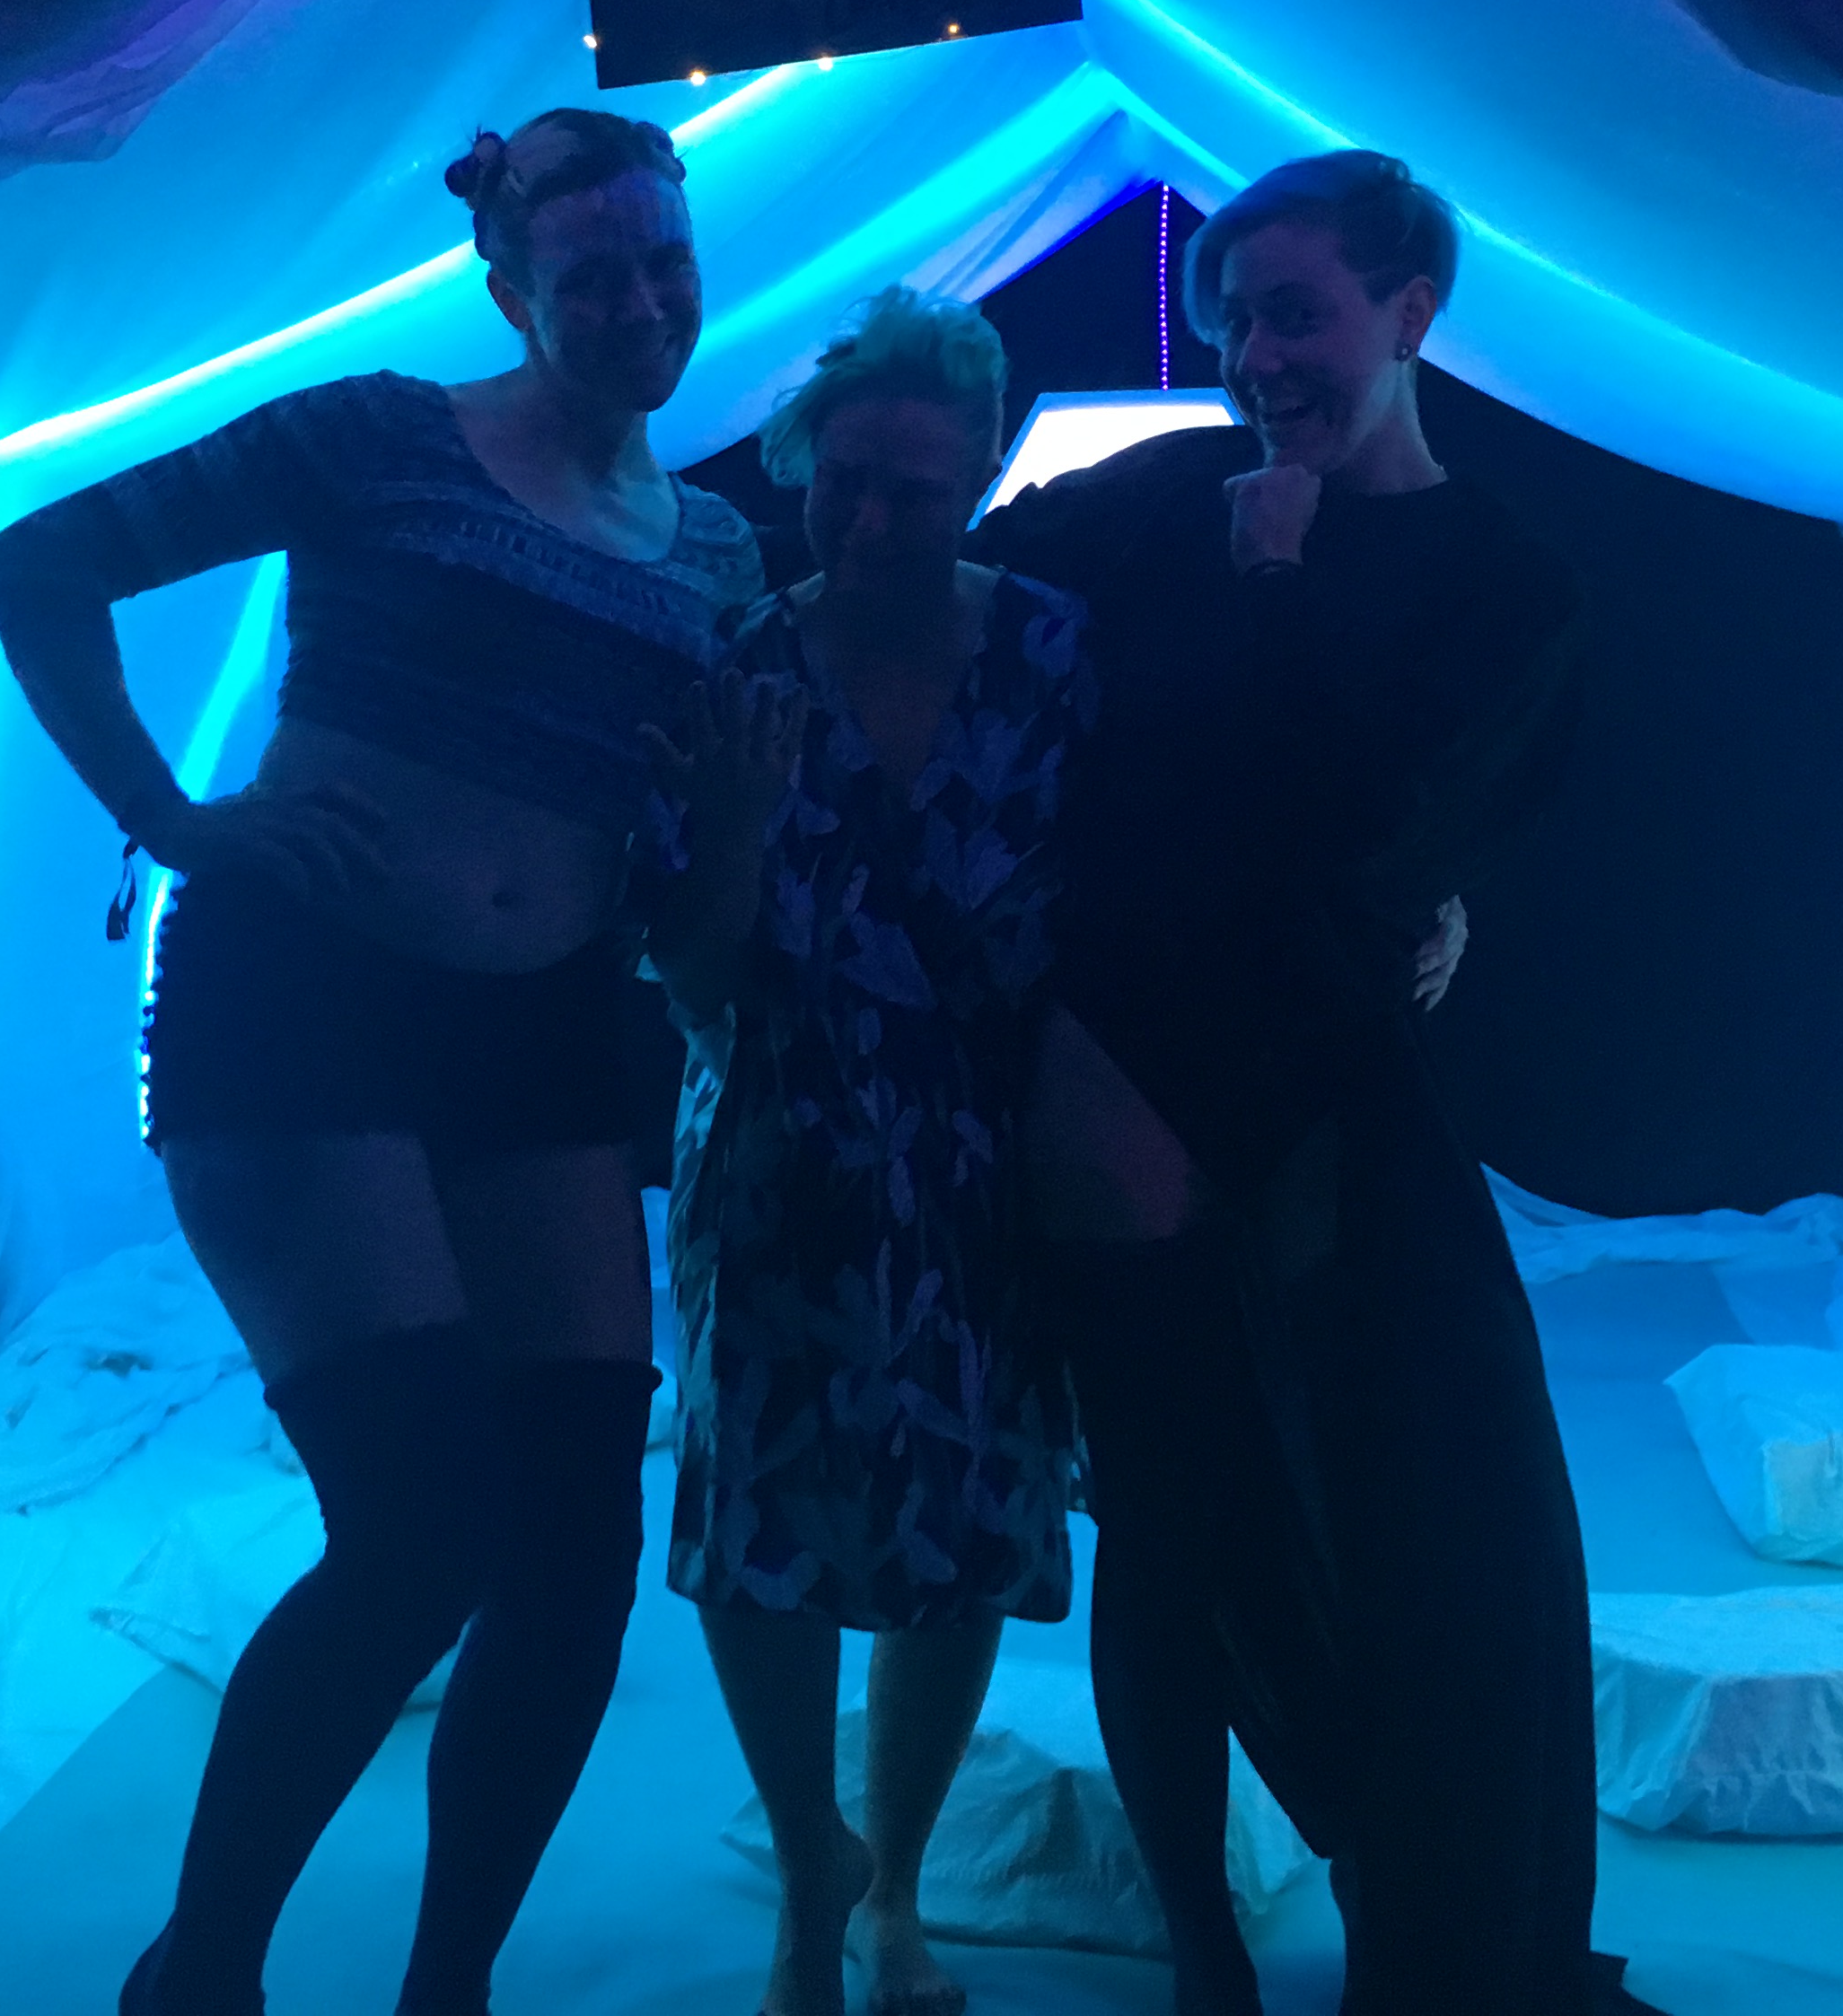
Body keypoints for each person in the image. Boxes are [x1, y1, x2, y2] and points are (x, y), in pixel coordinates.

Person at [0, 108, 762, 2016]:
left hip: (545, 1031)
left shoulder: (722, 551)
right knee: (423, 1526)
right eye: (592, 276)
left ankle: (446, 1990)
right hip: (305, 1000)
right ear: (511, 286)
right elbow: (39, 565)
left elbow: (687, 858)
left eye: (665, 262)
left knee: (577, 1547)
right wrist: (170, 813)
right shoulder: (379, 437)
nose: (642, 303)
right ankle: (200, 1974)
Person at [972, 152, 1642, 2016]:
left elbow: (1367, 839)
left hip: (1324, 1103)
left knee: (1428, 1529)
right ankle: (1205, 1954)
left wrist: (1277, 589)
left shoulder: (1508, 586)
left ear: (1410, 312)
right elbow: (951, 585)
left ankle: (1429, 1932)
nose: (1260, 357)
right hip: (1121, 1094)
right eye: (1237, 321)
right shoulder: (1169, 494)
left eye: (1299, 314)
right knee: (1176, 1541)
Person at [640, 289, 1090, 2016]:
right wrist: (736, 834)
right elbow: (691, 979)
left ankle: (895, 1887)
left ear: (979, 477)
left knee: (958, 1521)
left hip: (987, 1153)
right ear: (800, 469)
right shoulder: (735, 668)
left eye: (918, 485)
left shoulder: (1054, 653)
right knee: (763, 1519)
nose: (877, 518)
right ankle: (806, 1872)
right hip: (782, 1136)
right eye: (846, 482)